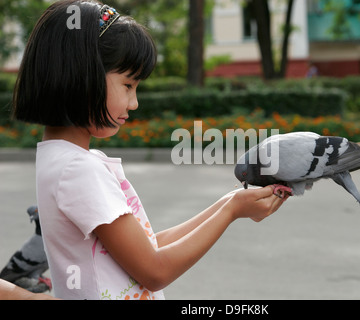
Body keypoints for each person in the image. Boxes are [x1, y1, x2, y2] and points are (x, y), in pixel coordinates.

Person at [11, 0, 289, 300]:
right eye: (128, 85)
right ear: (83, 77)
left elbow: (145, 248)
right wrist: (232, 211)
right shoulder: (79, 170)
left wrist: (228, 202)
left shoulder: (63, 159)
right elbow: (155, 270)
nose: (134, 103)